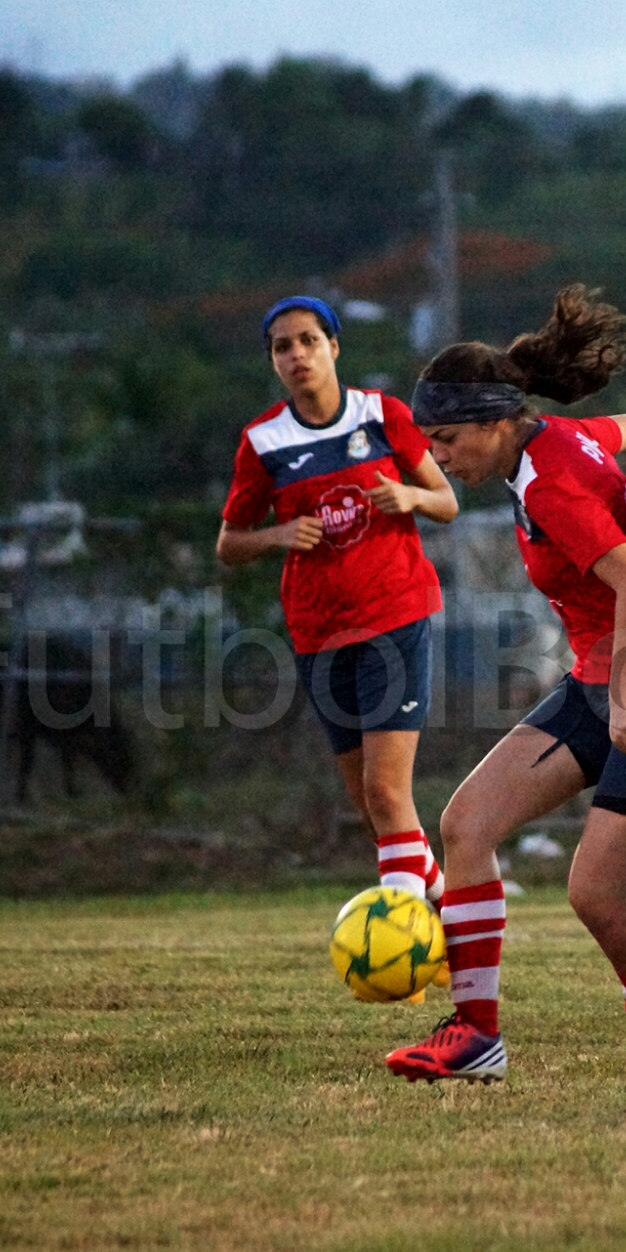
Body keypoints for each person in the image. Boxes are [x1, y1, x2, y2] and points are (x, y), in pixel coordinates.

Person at [382, 286, 626, 1108]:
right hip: (601, 682)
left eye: (448, 439)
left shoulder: (550, 485)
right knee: (466, 824)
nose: (438, 456)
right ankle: (475, 1037)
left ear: (498, 422)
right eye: (430, 440)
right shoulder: (552, 445)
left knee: (593, 893)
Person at [217, 296, 458, 916]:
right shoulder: (263, 441)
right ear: (273, 361)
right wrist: (274, 535)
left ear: (334, 347)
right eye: (282, 346)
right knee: (371, 806)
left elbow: (446, 500)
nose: (296, 354)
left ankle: (399, 937)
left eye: (307, 341)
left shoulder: (382, 415)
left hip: (394, 618)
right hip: (318, 633)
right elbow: (228, 544)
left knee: (385, 790)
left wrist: (409, 495)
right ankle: (449, 905)